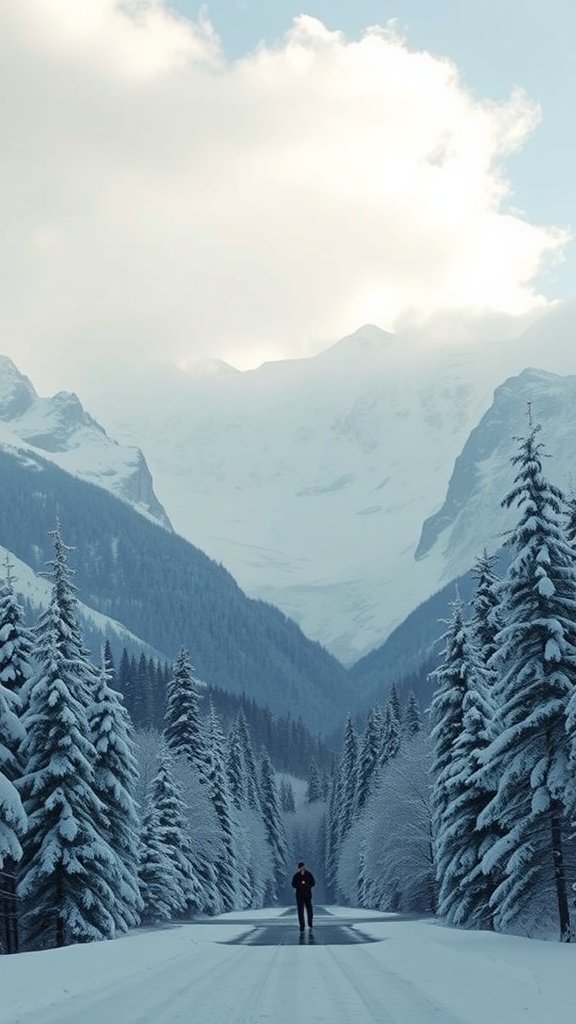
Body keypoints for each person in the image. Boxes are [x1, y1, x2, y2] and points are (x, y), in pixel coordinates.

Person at [291, 860, 315, 932]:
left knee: (309, 910)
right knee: (300, 911)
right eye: (301, 867)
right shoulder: (296, 875)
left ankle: (310, 924)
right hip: (299, 895)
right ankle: (302, 925)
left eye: (303, 867)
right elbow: (293, 884)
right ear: (299, 868)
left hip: (307, 894)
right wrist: (300, 885)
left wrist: (307, 885)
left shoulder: (309, 874)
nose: (302, 868)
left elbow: (313, 883)